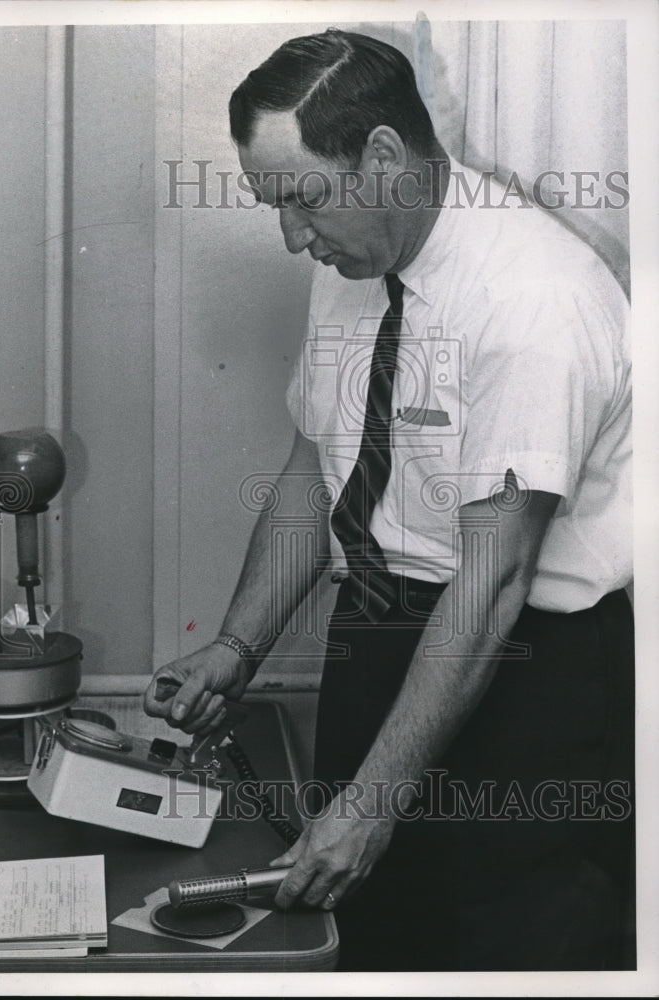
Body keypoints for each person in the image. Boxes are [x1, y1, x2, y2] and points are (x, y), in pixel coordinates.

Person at [144, 29, 634, 971]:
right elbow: (314, 470)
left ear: (380, 156)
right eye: (275, 205)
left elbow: (491, 585)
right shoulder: (357, 257)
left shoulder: (532, 297)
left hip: (523, 671)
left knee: (498, 957)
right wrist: (236, 647)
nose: (293, 237)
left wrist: (369, 805)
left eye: (303, 200)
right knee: (366, 945)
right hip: (376, 642)